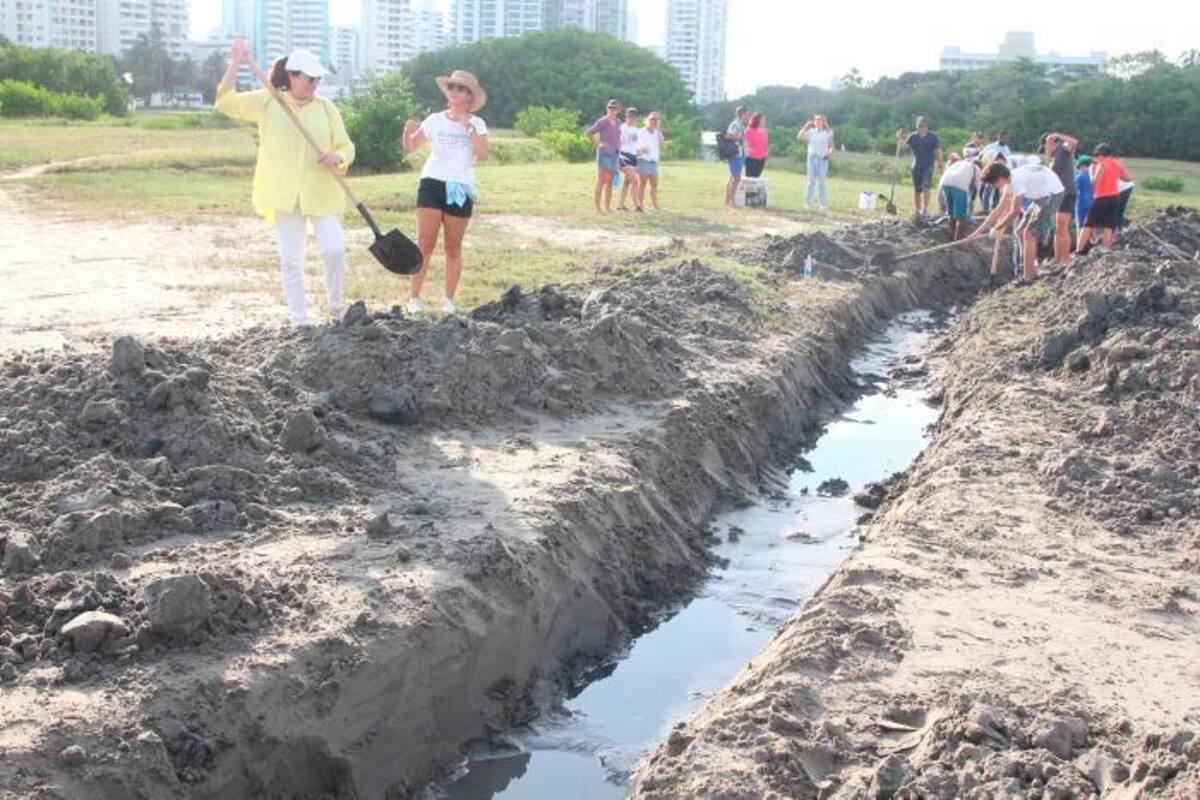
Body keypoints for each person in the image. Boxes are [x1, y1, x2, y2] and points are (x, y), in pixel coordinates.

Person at [214, 40, 354, 328]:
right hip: (284, 195)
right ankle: (299, 321)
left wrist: (336, 156)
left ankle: (338, 312)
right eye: (310, 78)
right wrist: (236, 61)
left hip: (322, 193)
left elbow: (346, 145)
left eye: (318, 79)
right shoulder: (269, 101)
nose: (315, 84)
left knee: (334, 249)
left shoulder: (327, 109)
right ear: (292, 76)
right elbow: (226, 101)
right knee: (292, 260)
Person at [401, 70, 490, 315]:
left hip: (459, 186)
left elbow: (483, 153)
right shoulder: (434, 120)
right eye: (452, 87)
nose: (455, 91)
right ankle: (414, 298)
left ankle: (448, 300)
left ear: (470, 96)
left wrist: (468, 128)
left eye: (461, 88)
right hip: (432, 182)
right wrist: (407, 132)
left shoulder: (477, 123)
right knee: (425, 243)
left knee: (453, 246)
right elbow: (411, 148)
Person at [969, 161, 1064, 285]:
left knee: (1028, 233)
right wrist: (977, 233)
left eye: (994, 183)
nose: (994, 186)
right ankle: (1031, 270)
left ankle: (1028, 277)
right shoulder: (1010, 180)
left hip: (1053, 194)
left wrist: (998, 227)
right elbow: (998, 209)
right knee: (1019, 232)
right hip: (1040, 197)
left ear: (1000, 178)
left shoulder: (1016, 182)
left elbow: (1015, 211)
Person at [1077, 143, 1131, 254]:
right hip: (1114, 197)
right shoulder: (1117, 164)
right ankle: (1106, 249)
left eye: (1098, 155)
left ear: (1101, 155)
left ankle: (1079, 249)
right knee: (1108, 225)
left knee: (1088, 223)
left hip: (1102, 197)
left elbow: (1094, 182)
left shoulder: (1101, 165)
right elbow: (1128, 179)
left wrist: (1092, 172)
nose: (1096, 158)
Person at [1042, 132, 1079, 265]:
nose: (1047, 147)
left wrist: (1057, 135)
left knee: (1062, 228)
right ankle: (1057, 258)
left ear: (1054, 143)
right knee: (1057, 229)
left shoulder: (1063, 151)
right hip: (1057, 194)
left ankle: (1066, 259)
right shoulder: (1053, 157)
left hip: (1067, 192)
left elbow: (1074, 142)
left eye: (1048, 144)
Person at [896, 116, 943, 217]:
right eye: (919, 126)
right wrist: (899, 139)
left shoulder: (933, 137)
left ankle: (924, 209)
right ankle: (917, 210)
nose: (921, 128)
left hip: (928, 165)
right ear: (917, 126)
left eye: (923, 126)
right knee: (917, 189)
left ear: (927, 126)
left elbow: (938, 150)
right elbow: (904, 148)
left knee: (926, 186)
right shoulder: (913, 136)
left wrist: (940, 162)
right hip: (916, 166)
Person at [586, 99, 622, 214]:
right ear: (607, 109)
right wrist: (599, 143)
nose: (612, 110)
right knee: (601, 180)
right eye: (610, 107)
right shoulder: (602, 121)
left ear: (618, 110)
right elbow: (589, 132)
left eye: (615, 108)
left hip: (614, 155)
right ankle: (598, 208)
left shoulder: (618, 122)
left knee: (610, 182)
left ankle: (607, 207)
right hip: (604, 154)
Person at [937, 153, 981, 241]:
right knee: (962, 217)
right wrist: (969, 206)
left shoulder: (960, 163)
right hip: (959, 185)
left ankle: (952, 237)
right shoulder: (977, 168)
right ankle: (958, 242)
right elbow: (976, 189)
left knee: (952, 214)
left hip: (945, 183)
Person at [799, 115, 835, 209]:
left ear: (823, 121)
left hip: (822, 159)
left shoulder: (828, 132)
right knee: (811, 181)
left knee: (822, 181)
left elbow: (832, 146)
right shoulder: (811, 132)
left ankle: (822, 204)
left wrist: (829, 152)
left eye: (819, 120)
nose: (817, 121)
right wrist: (806, 126)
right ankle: (807, 202)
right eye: (815, 120)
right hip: (811, 158)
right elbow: (799, 136)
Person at [636, 111, 667, 211]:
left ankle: (655, 204)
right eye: (651, 119)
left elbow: (663, 145)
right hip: (643, 159)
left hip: (653, 160)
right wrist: (641, 148)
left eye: (656, 120)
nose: (653, 121)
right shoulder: (641, 131)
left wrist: (658, 130)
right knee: (643, 182)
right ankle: (640, 204)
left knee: (654, 183)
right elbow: (637, 144)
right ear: (647, 120)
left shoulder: (657, 133)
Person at [617, 107, 643, 211]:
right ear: (626, 117)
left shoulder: (638, 130)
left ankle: (620, 205)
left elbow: (639, 145)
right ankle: (638, 205)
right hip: (623, 156)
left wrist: (640, 151)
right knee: (635, 180)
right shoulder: (622, 128)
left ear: (636, 118)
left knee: (627, 182)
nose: (631, 118)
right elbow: (618, 143)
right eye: (629, 116)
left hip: (634, 157)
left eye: (633, 116)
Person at [723, 106, 749, 207]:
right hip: (735, 154)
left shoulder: (740, 124)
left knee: (733, 177)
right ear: (742, 114)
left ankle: (728, 200)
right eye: (747, 114)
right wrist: (739, 138)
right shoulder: (736, 124)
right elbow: (728, 135)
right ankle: (731, 201)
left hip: (740, 153)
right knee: (736, 178)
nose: (748, 116)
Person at [744, 112, 769, 178]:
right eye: (762, 119)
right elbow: (744, 142)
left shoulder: (765, 131)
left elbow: (765, 144)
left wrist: (766, 155)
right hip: (752, 158)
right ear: (757, 120)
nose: (764, 121)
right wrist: (749, 150)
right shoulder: (749, 130)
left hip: (762, 158)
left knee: (756, 177)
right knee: (750, 178)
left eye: (764, 119)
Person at [1074, 155, 1095, 230]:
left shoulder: (1080, 176)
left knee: (1080, 225)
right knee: (1091, 224)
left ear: (1081, 165)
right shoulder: (1094, 176)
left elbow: (1074, 189)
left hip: (1081, 202)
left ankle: (1079, 240)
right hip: (1093, 201)